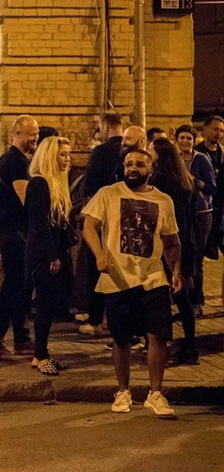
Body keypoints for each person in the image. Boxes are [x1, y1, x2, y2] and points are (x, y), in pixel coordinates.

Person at [82, 148, 183, 417]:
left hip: (153, 277)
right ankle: (123, 391)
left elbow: (172, 242)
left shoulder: (163, 201)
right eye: (129, 164)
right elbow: (89, 226)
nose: (133, 168)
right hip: (118, 278)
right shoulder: (108, 194)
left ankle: (156, 393)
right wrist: (100, 255)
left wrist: (176, 270)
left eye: (139, 164)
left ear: (150, 170)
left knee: (158, 335)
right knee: (121, 338)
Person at [0, 115, 39, 359]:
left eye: (36, 134)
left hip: (15, 230)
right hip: (13, 231)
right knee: (14, 284)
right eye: (31, 134)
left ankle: (21, 338)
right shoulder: (15, 161)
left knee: (23, 284)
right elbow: (26, 198)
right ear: (17, 134)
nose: (35, 138)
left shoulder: (16, 160)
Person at [25, 136, 75, 375]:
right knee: (44, 304)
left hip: (54, 251)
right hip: (43, 253)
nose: (68, 159)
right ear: (49, 157)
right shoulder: (39, 184)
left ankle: (42, 353)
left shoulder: (56, 184)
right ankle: (40, 355)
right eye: (62, 154)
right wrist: (51, 255)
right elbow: (38, 224)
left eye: (68, 154)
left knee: (51, 303)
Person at [148, 137, 199, 365]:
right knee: (182, 297)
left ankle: (164, 347)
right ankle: (190, 345)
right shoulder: (183, 179)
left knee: (166, 297)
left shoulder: (160, 180)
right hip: (185, 241)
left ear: (159, 154)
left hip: (168, 243)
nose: (148, 153)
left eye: (150, 150)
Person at [76, 110, 124, 336]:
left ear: (105, 127)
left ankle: (96, 320)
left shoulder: (101, 152)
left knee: (97, 267)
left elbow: (90, 186)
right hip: (125, 219)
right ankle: (116, 320)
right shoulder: (131, 151)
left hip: (102, 218)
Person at [175, 123, 216, 311]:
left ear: (193, 141)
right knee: (181, 258)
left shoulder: (201, 159)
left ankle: (196, 302)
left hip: (200, 215)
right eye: (182, 137)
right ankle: (181, 300)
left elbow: (212, 188)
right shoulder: (174, 159)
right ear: (176, 140)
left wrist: (194, 181)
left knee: (196, 259)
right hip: (181, 214)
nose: (185, 141)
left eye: (189, 138)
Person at [195, 115, 224, 264]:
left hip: (221, 210)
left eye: (221, 131)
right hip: (204, 209)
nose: (218, 133)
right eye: (215, 129)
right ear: (205, 129)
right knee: (199, 253)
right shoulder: (196, 153)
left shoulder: (222, 153)